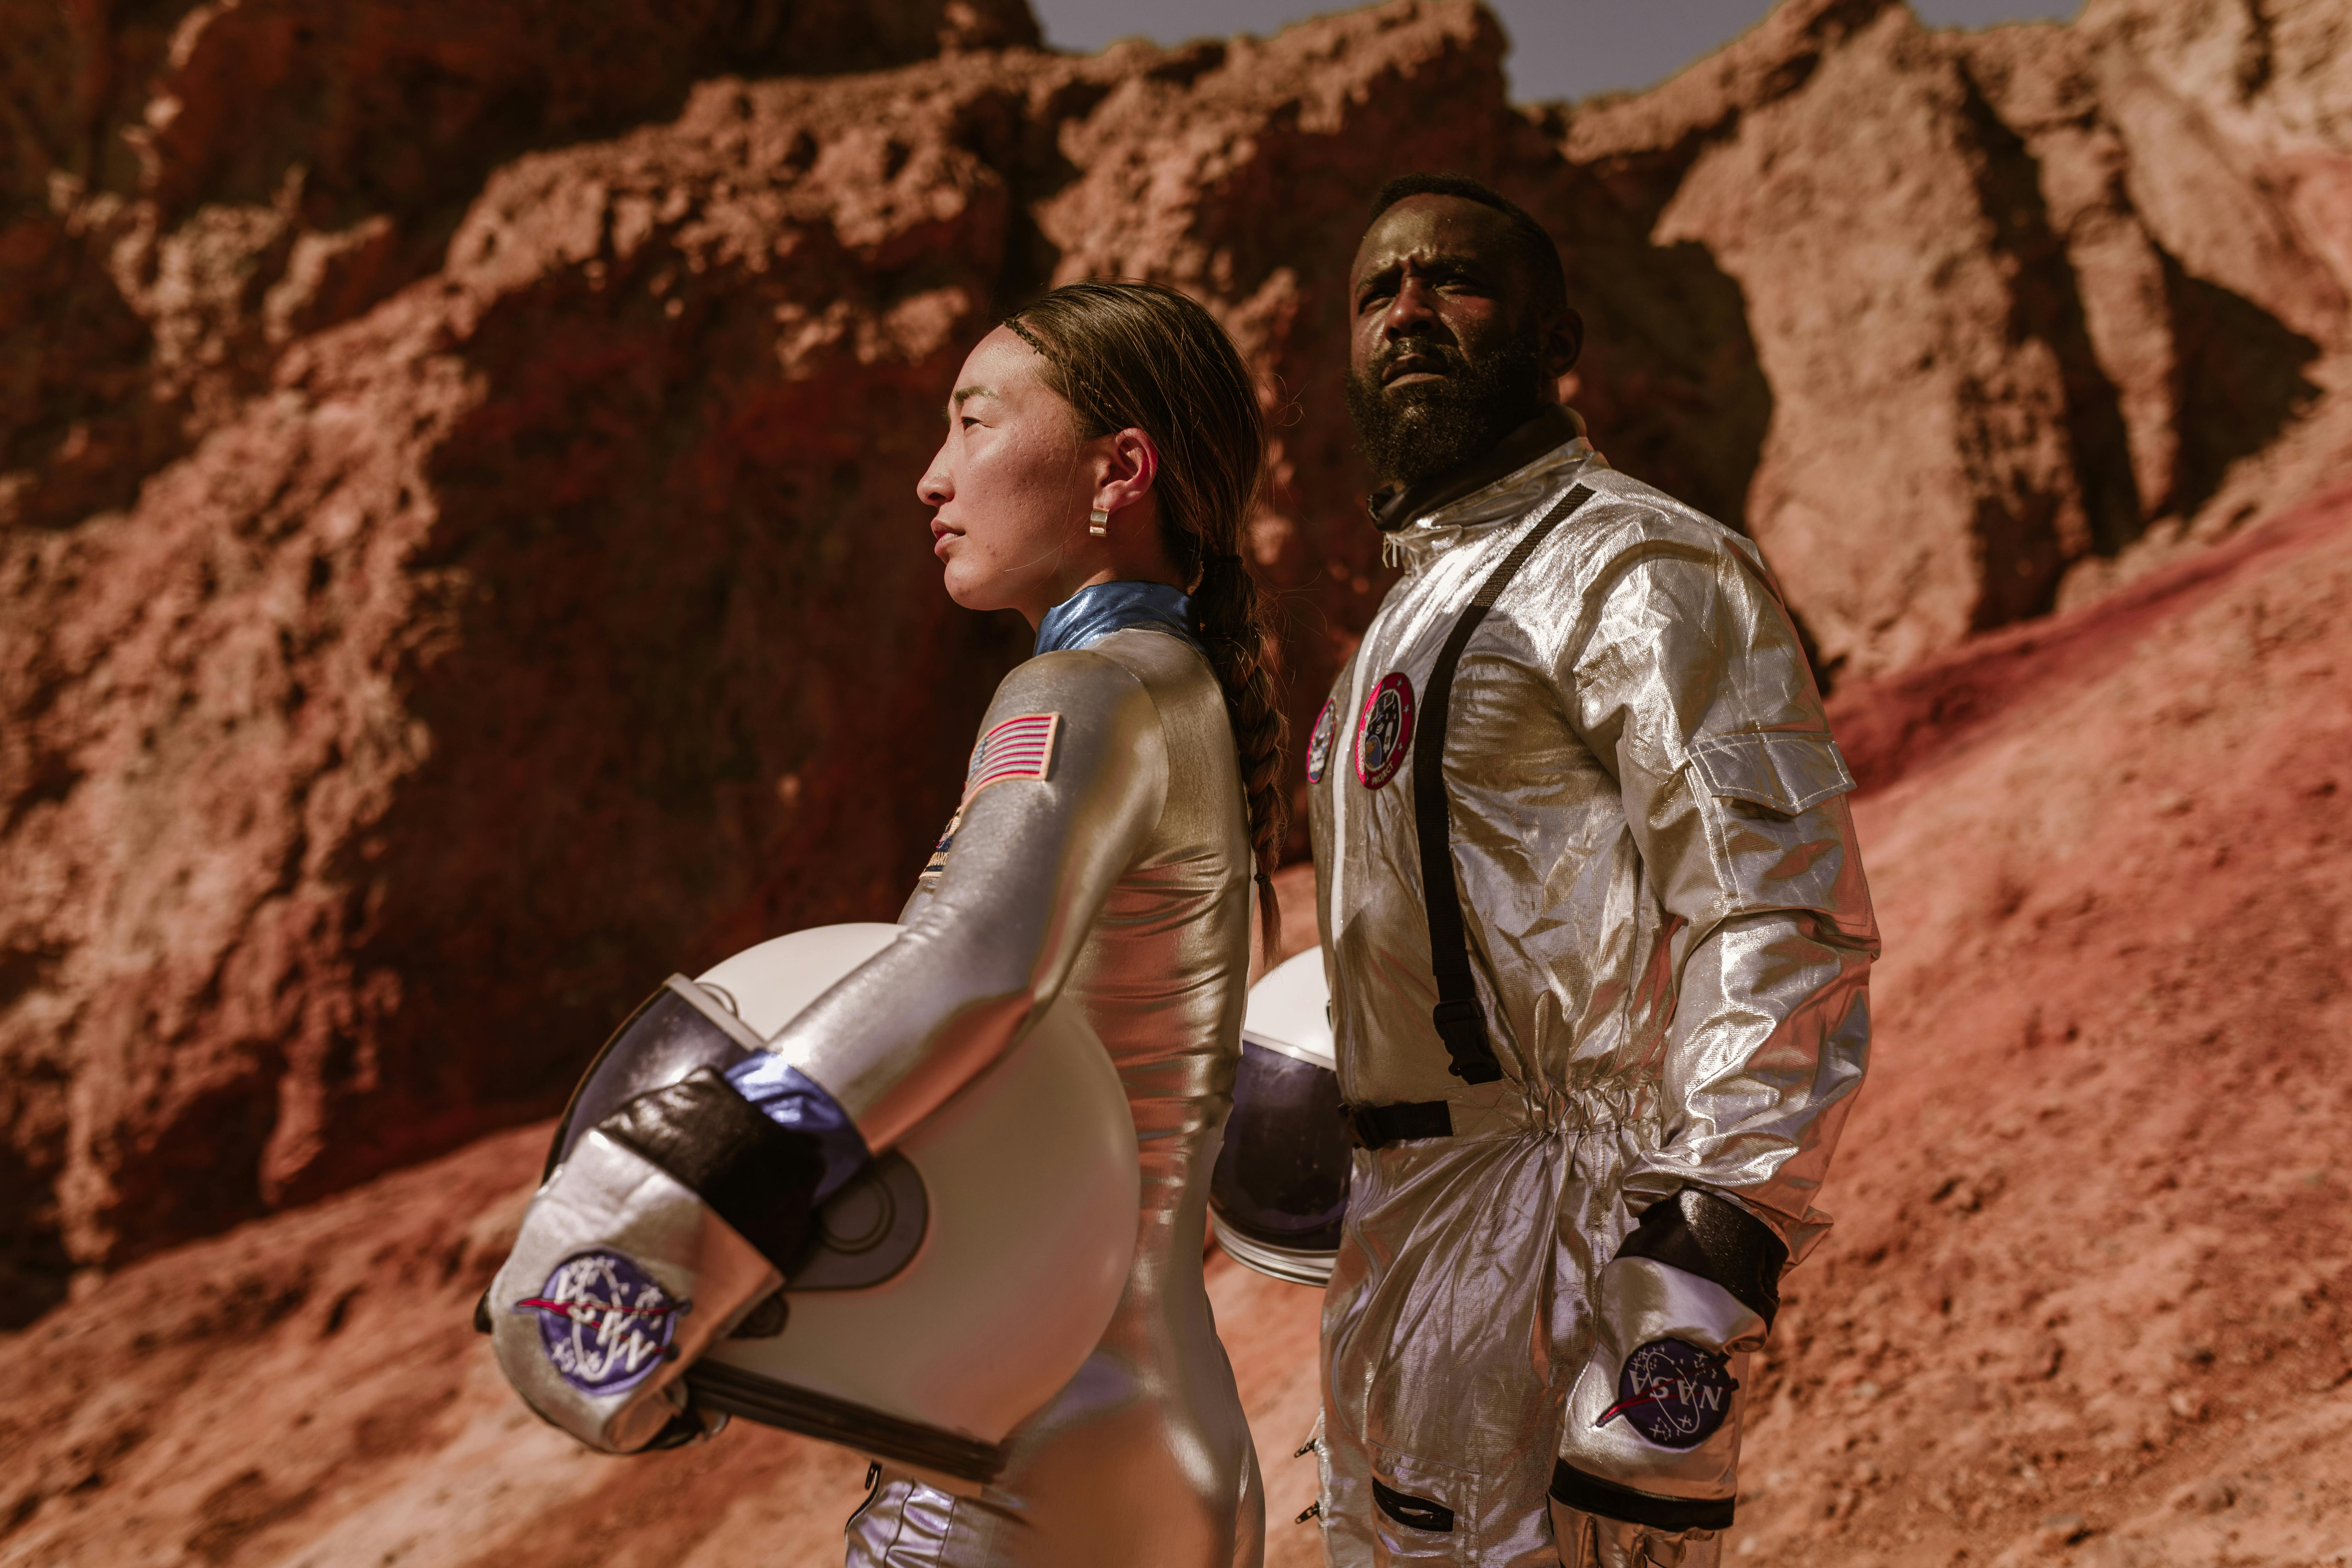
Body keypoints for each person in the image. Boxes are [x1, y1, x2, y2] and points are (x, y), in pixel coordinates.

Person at [1302, 174, 1878, 1566]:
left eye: (1456, 283)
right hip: (1408, 1242)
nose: (1411, 314)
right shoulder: (1412, 609)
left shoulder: (1635, 564)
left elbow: (1777, 909)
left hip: (1570, 1231)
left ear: (1558, 342)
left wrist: (1702, 1252)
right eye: (1379, 291)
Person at [765, 279, 1284, 1566]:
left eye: (976, 424)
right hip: (1159, 1428)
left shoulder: (1081, 690)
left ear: (1121, 470)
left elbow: (963, 972)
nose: (933, 480)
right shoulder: (1182, 694)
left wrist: (688, 1191)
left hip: (1028, 1458)